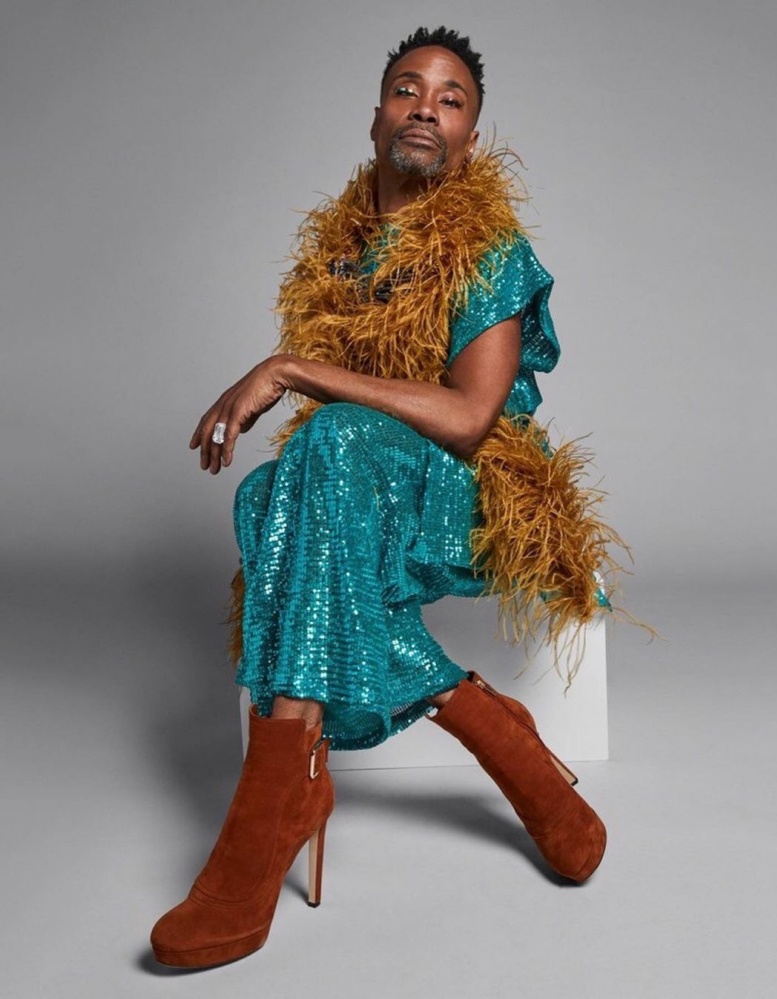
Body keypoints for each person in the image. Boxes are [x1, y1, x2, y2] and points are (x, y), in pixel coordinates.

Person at [150, 26, 611, 970]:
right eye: (408, 89)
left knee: (323, 444)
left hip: (470, 490)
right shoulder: (339, 254)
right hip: (367, 478)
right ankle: (481, 726)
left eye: (451, 99)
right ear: (375, 117)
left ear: (470, 138)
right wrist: (310, 376)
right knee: (269, 494)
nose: (426, 108)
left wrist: (290, 367)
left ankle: (269, 809)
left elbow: (471, 417)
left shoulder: (488, 247)